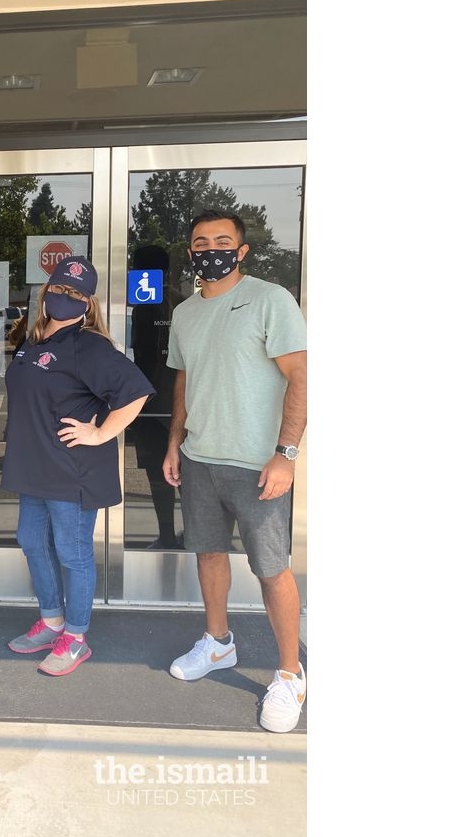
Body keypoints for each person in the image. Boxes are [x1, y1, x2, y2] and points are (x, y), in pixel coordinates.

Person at [161, 209, 307, 733]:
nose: (211, 248)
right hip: (201, 459)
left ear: (242, 251)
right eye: (201, 241)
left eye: (223, 240)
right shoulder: (186, 314)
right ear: (192, 251)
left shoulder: (271, 300)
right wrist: (175, 442)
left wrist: (286, 455)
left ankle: (290, 674)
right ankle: (218, 643)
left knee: (271, 569)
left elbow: (301, 377)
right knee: (209, 556)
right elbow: (184, 382)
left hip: (258, 467)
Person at [1, 256, 154, 676]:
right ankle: (51, 622)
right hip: (34, 466)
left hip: (72, 469)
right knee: (31, 540)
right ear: (45, 292)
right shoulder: (33, 341)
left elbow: (136, 392)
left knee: (73, 552)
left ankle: (76, 636)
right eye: (58, 289)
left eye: (75, 293)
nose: (63, 297)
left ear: (88, 302)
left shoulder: (89, 346)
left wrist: (101, 433)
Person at [127, 243, 182, 550]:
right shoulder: (182, 301)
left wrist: (134, 406)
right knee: (181, 475)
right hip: (180, 402)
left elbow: (145, 359)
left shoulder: (148, 305)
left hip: (153, 403)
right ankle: (190, 537)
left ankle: (167, 535)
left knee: (158, 476)